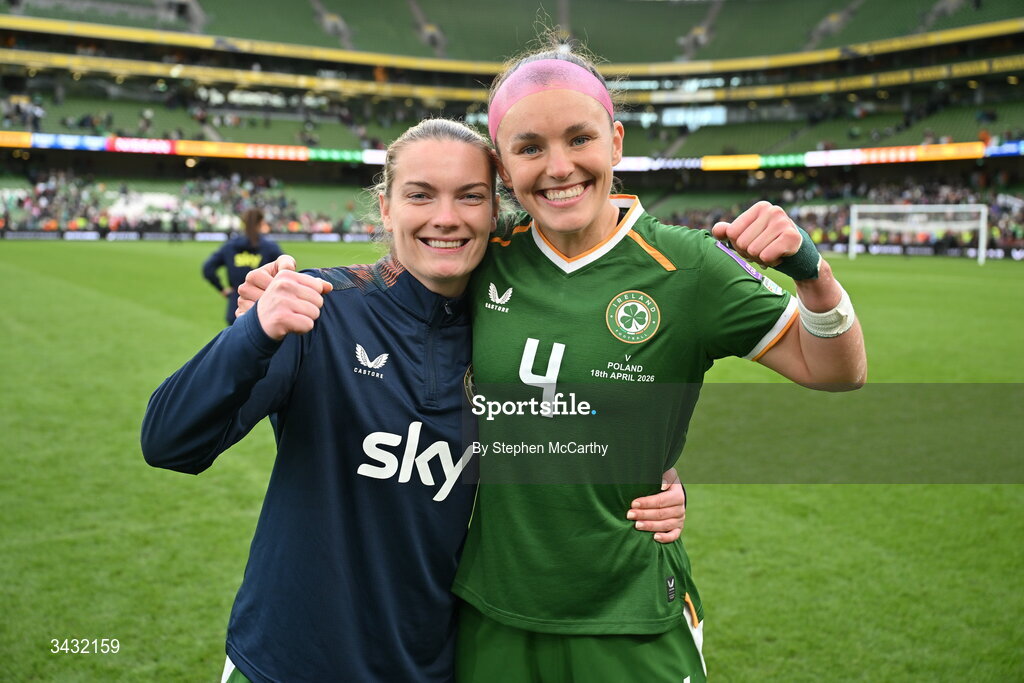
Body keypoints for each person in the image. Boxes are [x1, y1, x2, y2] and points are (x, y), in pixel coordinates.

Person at [142, 119, 686, 683]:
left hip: (431, 666)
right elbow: (169, 443)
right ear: (386, 207)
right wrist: (253, 333)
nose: (445, 218)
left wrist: (661, 484)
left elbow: (583, 444)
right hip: (286, 664)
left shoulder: (507, 336)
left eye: (470, 197)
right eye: (420, 195)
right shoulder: (321, 311)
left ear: (494, 209)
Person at [442, 47, 867, 682]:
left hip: (631, 614)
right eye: (530, 148)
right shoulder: (482, 258)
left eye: (579, 138)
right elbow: (376, 303)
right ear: (503, 167)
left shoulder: (687, 266)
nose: (559, 168)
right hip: (493, 610)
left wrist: (814, 276)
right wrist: (284, 291)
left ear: (615, 142)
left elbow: (835, 368)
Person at [201, 207, 283, 326]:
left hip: (237, 306)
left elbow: (208, 269)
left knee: (236, 342)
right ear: (261, 223)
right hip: (264, 306)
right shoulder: (270, 248)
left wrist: (221, 288)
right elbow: (285, 271)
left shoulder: (230, 246)